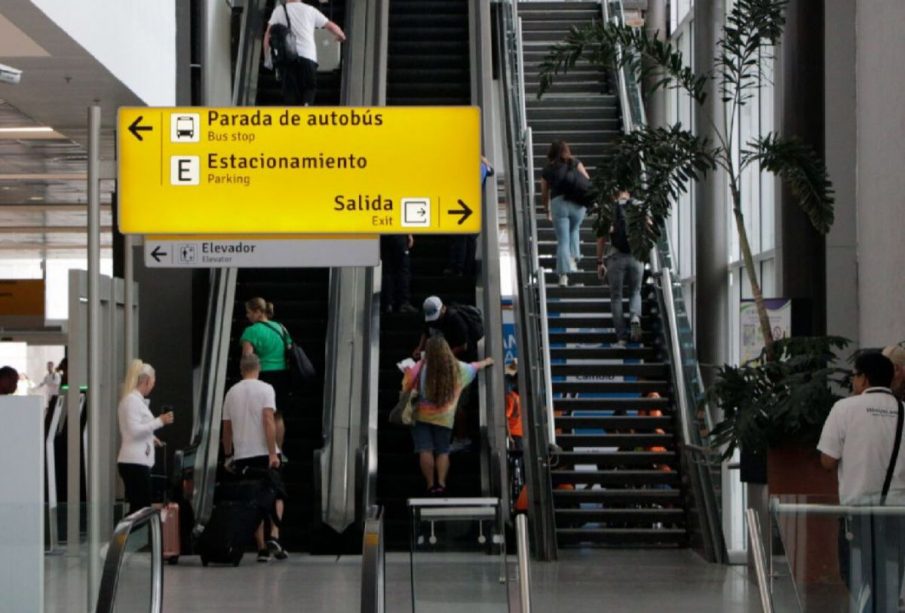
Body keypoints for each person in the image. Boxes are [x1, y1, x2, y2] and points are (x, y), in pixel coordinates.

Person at [818, 352, 905, 607]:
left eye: (855, 376)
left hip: (857, 513)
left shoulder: (844, 409)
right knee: (889, 577)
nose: (853, 383)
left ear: (864, 379)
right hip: (898, 512)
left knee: (856, 575)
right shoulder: (903, 411)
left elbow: (827, 461)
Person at [403, 336, 493, 494]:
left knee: (425, 450)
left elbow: (406, 385)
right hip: (444, 417)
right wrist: (486, 362)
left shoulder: (421, 366)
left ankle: (430, 484)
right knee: (443, 450)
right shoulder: (457, 368)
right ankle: (442, 483)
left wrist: (407, 372)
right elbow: (473, 367)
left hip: (421, 416)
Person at [222, 354, 287, 563]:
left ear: (241, 370)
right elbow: (268, 419)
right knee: (277, 494)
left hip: (242, 456)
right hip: (264, 453)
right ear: (258, 369)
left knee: (252, 499)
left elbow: (226, 428)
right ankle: (274, 536)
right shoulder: (266, 389)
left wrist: (228, 454)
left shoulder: (231, 393)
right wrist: (271, 453)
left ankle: (260, 549)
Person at [412, 296, 481, 451]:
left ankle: (462, 438)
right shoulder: (431, 317)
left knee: (458, 403)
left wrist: (442, 355)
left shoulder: (455, 320)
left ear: (443, 308)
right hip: (444, 365)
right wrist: (420, 348)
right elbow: (426, 330)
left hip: (461, 365)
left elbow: (463, 346)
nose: (433, 320)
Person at [117, 360, 174, 512]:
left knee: (139, 506)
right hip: (135, 462)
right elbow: (134, 431)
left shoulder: (132, 401)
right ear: (147, 381)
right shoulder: (132, 402)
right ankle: (131, 535)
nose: (153, 386)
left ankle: (131, 535)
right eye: (153, 382)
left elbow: (135, 430)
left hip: (135, 461)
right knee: (140, 508)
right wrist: (160, 421)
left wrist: (151, 438)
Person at [264, 0, 347, 106]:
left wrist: (268, 59)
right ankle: (306, 105)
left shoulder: (279, 11)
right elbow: (331, 26)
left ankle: (292, 115)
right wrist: (341, 36)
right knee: (309, 87)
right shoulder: (310, 10)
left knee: (290, 92)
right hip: (308, 56)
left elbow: (268, 35)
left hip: (287, 58)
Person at [240, 297, 290, 451]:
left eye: (249, 313)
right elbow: (289, 347)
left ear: (258, 312)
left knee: (262, 416)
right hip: (282, 375)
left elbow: (247, 357)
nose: (247, 316)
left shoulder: (251, 331)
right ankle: (278, 450)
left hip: (263, 377)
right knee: (277, 416)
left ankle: (264, 451)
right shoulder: (281, 327)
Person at [596, 190, 645, 344]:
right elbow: (649, 227)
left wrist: (599, 261)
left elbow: (601, 237)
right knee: (635, 292)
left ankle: (622, 338)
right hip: (636, 256)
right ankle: (635, 317)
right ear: (629, 192)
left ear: (614, 193)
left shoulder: (609, 208)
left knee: (616, 297)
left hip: (615, 257)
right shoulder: (639, 205)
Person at [540, 140, 590, 287]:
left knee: (563, 240)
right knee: (574, 229)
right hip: (578, 204)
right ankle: (573, 260)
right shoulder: (575, 162)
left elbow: (544, 192)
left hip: (559, 204)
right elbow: (587, 180)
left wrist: (545, 209)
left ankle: (563, 276)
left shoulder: (548, 169)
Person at [446, 156, 494, 277]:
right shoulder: (482, 167)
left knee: (460, 237)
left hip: (462, 203)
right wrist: (484, 161)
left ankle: (458, 268)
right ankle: (467, 268)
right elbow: (491, 171)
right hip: (473, 206)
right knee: (470, 238)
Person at [381, 235, 416, 314]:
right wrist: (409, 234)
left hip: (384, 234)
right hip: (398, 234)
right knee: (403, 270)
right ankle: (403, 303)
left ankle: (387, 303)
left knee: (387, 271)